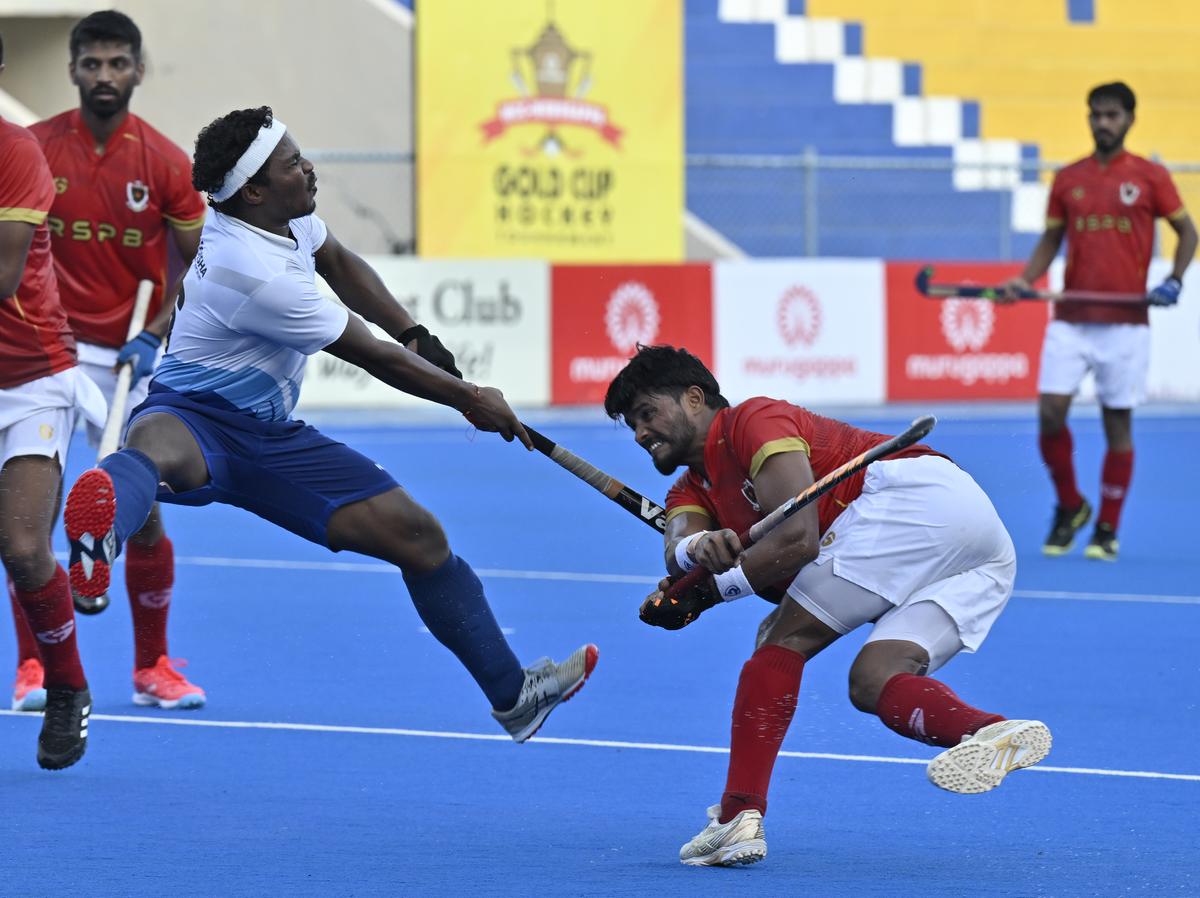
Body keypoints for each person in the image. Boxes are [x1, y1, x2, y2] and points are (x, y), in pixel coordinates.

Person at [62, 105, 597, 743]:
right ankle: (98, 543)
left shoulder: (277, 218)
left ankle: (514, 697)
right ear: (254, 189)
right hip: (193, 411)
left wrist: (415, 331)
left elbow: (338, 259)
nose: (308, 167)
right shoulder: (252, 272)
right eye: (292, 163)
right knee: (151, 447)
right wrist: (470, 398)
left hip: (271, 438)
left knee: (420, 539)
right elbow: (371, 355)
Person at [604, 345, 1050, 867]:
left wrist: (710, 591)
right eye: (632, 424)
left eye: (647, 413)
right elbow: (679, 542)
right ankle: (989, 730)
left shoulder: (752, 420)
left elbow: (797, 539)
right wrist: (693, 555)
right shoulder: (689, 491)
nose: (640, 433)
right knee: (873, 680)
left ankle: (738, 815)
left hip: (910, 499)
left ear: (694, 398)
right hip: (979, 546)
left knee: (779, 639)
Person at [21, 10, 210, 711]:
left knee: (140, 510)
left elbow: (202, 268)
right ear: (72, 69)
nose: (105, 76)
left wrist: (155, 332)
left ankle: (151, 665)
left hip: (130, 354)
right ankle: (34, 668)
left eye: (118, 63)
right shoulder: (35, 149)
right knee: (31, 520)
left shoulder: (164, 163)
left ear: (137, 69)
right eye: (92, 64)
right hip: (45, 351)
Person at [1005, 81, 1196, 561]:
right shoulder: (1068, 178)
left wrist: (1175, 279)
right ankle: (1071, 506)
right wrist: (1025, 279)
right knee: (1050, 413)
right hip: (1071, 318)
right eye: (1095, 114)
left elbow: (1187, 232)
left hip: (1126, 323)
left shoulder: (1151, 176)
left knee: (1117, 423)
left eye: (1112, 115)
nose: (1102, 123)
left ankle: (1107, 528)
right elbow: (1050, 241)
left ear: (1130, 118)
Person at [0, 31, 99, 768]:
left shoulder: (15, 153)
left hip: (32, 373)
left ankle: (65, 688)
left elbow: (3, 277)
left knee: (25, 547)